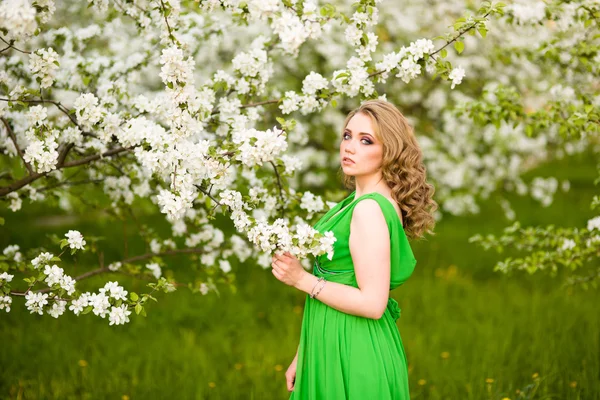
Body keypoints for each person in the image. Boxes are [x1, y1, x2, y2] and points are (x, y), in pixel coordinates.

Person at [270, 99, 438, 399]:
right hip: (330, 338)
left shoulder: (369, 209)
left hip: (353, 347)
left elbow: (373, 304)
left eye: (366, 141)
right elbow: (341, 282)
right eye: (347, 136)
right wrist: (304, 352)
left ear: (390, 151)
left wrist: (301, 279)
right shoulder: (361, 200)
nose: (349, 147)